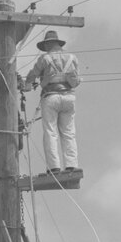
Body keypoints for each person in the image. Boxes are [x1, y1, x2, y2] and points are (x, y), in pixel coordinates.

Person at [19, 30, 80, 176]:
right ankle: (72, 165)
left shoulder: (44, 59)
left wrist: (27, 85)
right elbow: (76, 80)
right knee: (69, 133)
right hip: (69, 97)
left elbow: (32, 75)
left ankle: (54, 167)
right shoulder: (72, 58)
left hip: (51, 97)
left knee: (50, 132)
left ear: (48, 44)